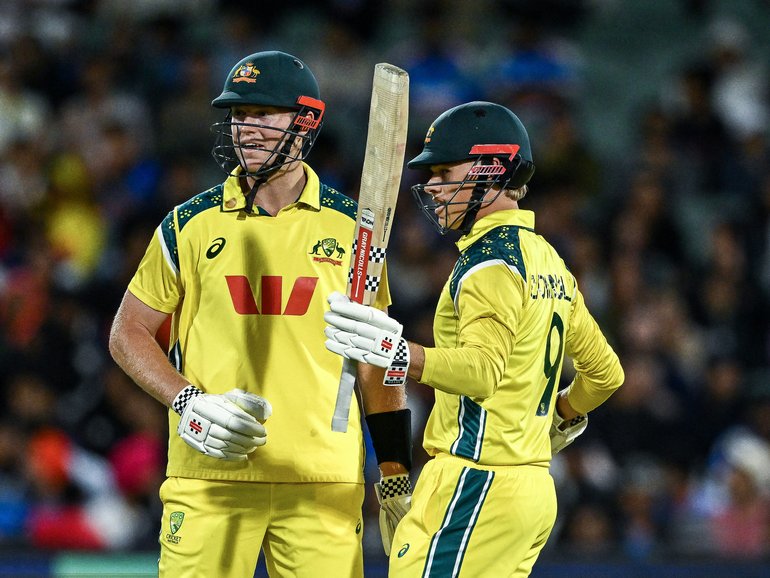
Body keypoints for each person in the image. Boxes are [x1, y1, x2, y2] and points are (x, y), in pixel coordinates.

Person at [108, 50, 411, 578]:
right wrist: (187, 401)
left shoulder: (355, 232)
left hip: (322, 485)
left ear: (306, 122)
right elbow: (127, 333)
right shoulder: (187, 225)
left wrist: (393, 471)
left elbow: (375, 360)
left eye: (263, 115)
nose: (246, 129)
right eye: (239, 116)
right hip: (210, 477)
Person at [324, 101, 625, 577]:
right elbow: (607, 375)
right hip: (530, 488)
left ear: (492, 169)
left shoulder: (487, 264)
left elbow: (483, 371)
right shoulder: (548, 259)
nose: (434, 188)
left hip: (475, 483)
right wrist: (556, 420)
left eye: (445, 172)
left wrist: (398, 352)